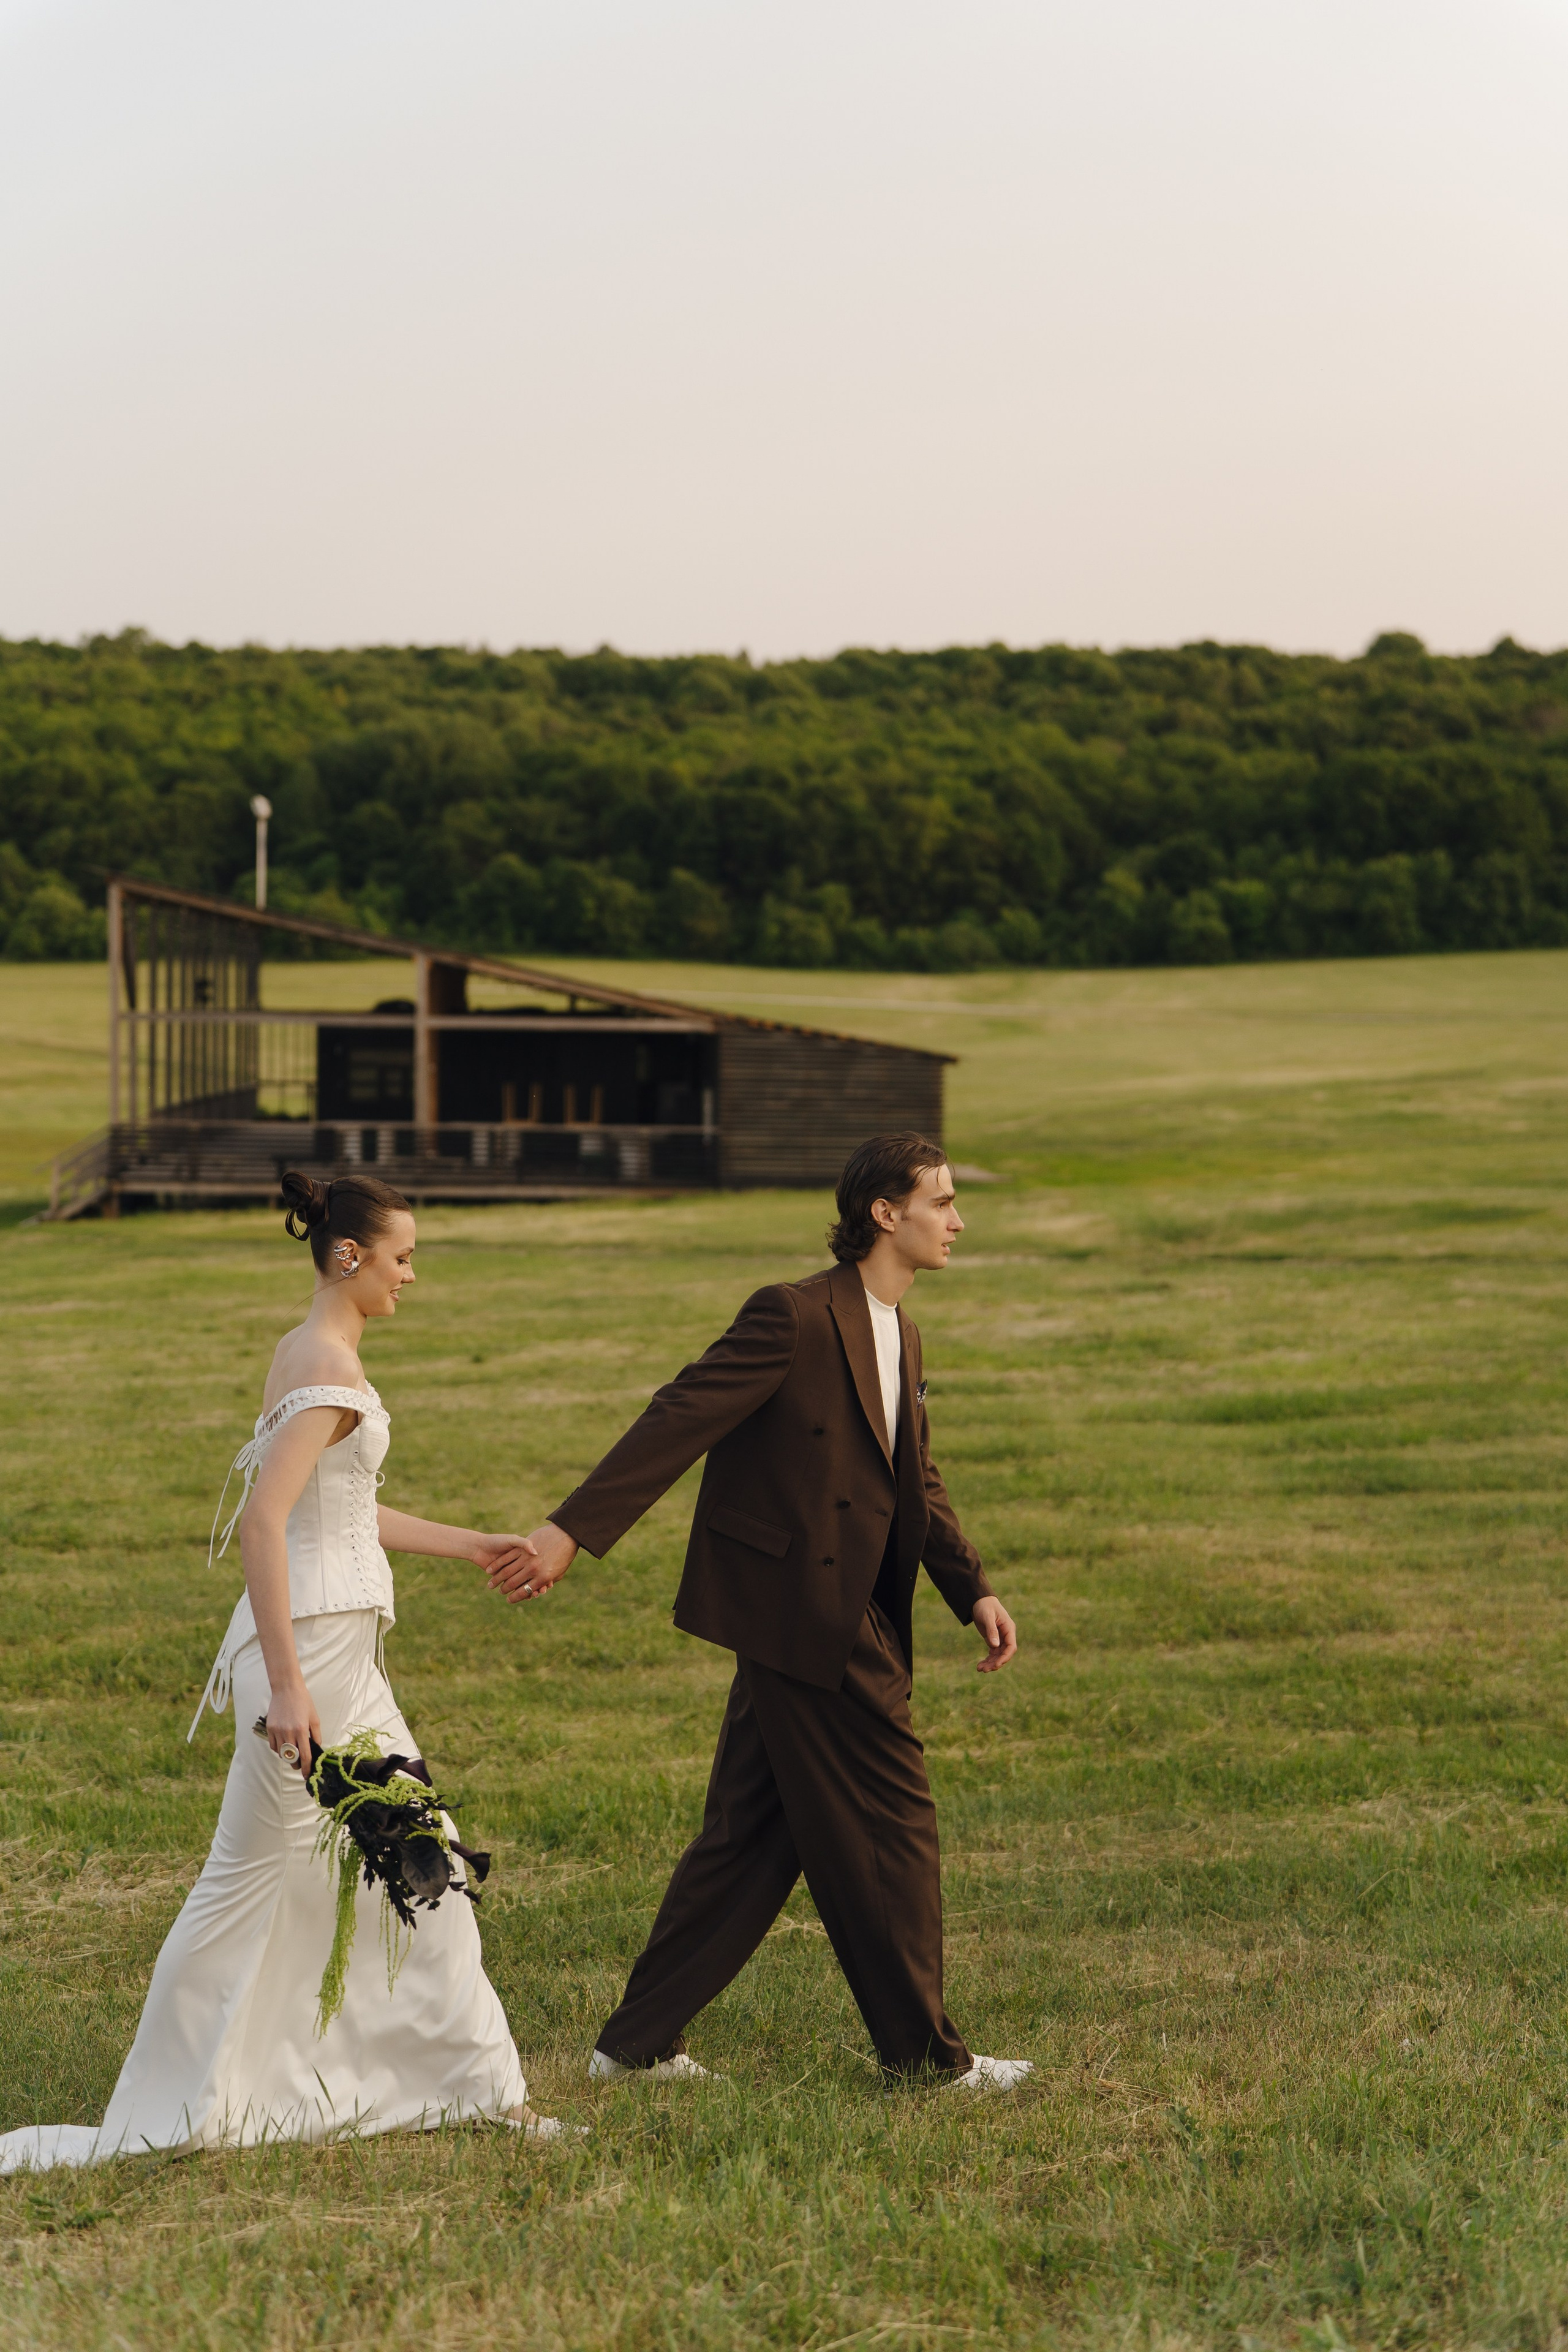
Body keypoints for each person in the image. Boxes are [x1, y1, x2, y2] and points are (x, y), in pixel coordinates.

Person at [1, 1171, 560, 2176]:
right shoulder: (325, 1362)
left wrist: (472, 1543)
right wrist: (293, 1687)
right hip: (305, 1657)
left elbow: (337, 1513)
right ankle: (171, 2102)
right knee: (249, 1877)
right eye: (401, 1258)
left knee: (421, 1857)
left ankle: (479, 2088)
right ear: (349, 1257)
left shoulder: (317, 1354)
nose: (411, 1277)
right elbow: (264, 1523)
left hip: (346, 1655)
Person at [492, 1133, 1032, 2092]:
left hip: (848, 1607)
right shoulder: (791, 1315)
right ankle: (927, 2061)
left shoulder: (901, 1330)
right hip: (803, 1615)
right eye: (942, 1201)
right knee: (893, 1827)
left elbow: (916, 1476)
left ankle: (635, 2047)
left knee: (750, 1837)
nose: (957, 1219)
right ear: (884, 1213)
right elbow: (679, 1416)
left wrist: (972, 1586)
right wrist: (568, 1530)